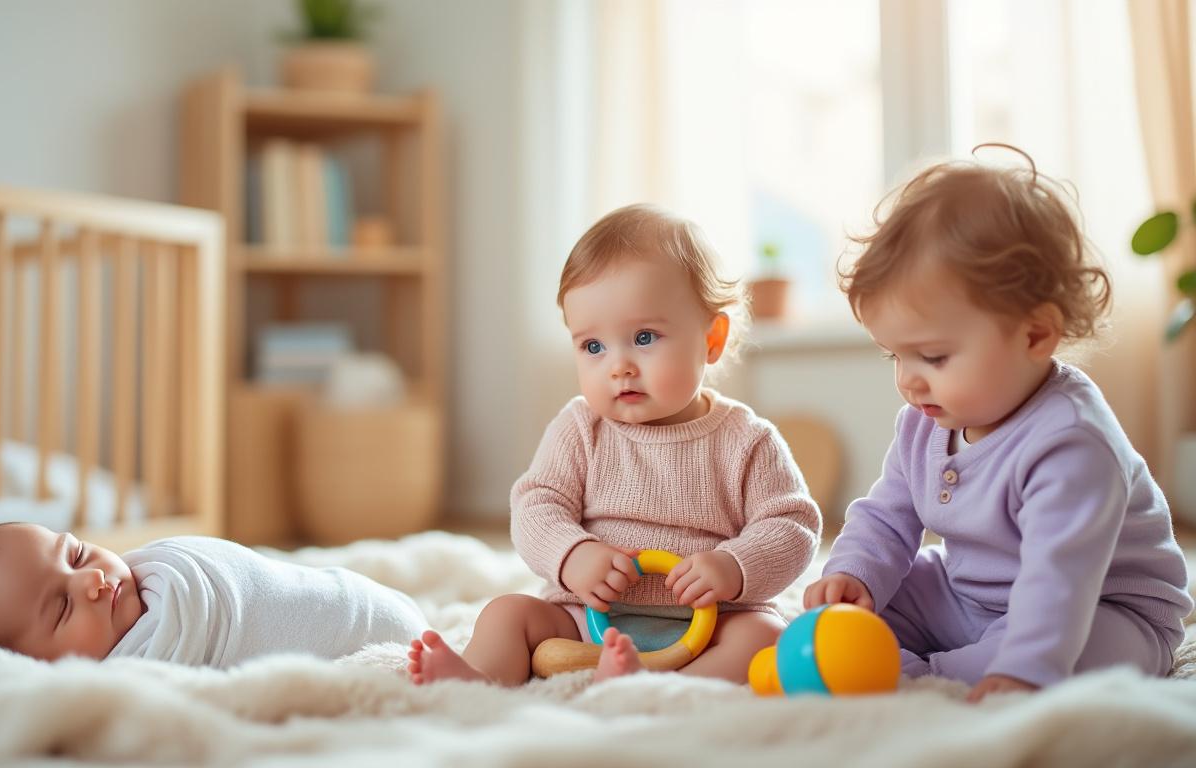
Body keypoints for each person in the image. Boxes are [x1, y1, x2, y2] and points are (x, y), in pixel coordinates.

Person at [803, 146, 1194, 703]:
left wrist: (1024, 667)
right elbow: (887, 517)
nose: (909, 383)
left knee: (1071, 655)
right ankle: (900, 655)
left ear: (1035, 336)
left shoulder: (1071, 443)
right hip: (968, 595)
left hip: (1096, 608)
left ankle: (929, 675)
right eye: (896, 357)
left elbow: (1058, 583)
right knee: (870, 605)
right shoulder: (924, 422)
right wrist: (854, 575)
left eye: (933, 358)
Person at [408, 204, 821, 686]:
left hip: (710, 622)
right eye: (593, 347)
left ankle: (669, 686)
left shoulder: (746, 440)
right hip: (588, 619)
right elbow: (536, 504)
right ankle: (475, 677)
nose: (618, 366)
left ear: (712, 338)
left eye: (644, 337)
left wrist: (735, 565)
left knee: (767, 637)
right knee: (506, 614)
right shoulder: (581, 428)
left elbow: (793, 524)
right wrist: (573, 554)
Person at [0, 522, 428, 666]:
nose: (91, 581)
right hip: (375, 639)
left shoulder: (165, 570)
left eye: (79, 553)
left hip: (367, 604)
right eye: (61, 608)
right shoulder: (143, 664)